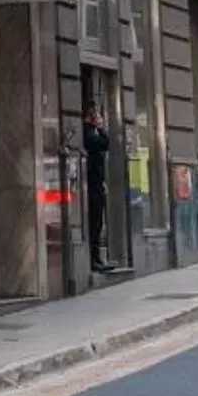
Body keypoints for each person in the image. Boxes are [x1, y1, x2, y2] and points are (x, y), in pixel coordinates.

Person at [83, 102, 111, 273]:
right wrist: (100, 128)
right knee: (94, 224)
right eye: (96, 115)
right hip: (91, 187)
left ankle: (97, 258)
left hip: (97, 185)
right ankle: (94, 259)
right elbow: (105, 143)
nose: (99, 118)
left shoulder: (91, 132)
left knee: (98, 223)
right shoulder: (88, 134)